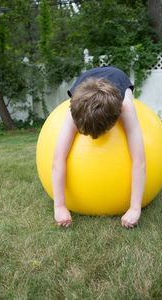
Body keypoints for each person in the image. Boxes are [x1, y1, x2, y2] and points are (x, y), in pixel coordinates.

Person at [52, 66, 146, 229]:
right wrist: (59, 206)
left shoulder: (125, 107)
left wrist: (135, 208)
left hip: (117, 76)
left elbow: (139, 161)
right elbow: (58, 159)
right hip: (86, 79)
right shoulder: (74, 110)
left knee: (130, 112)